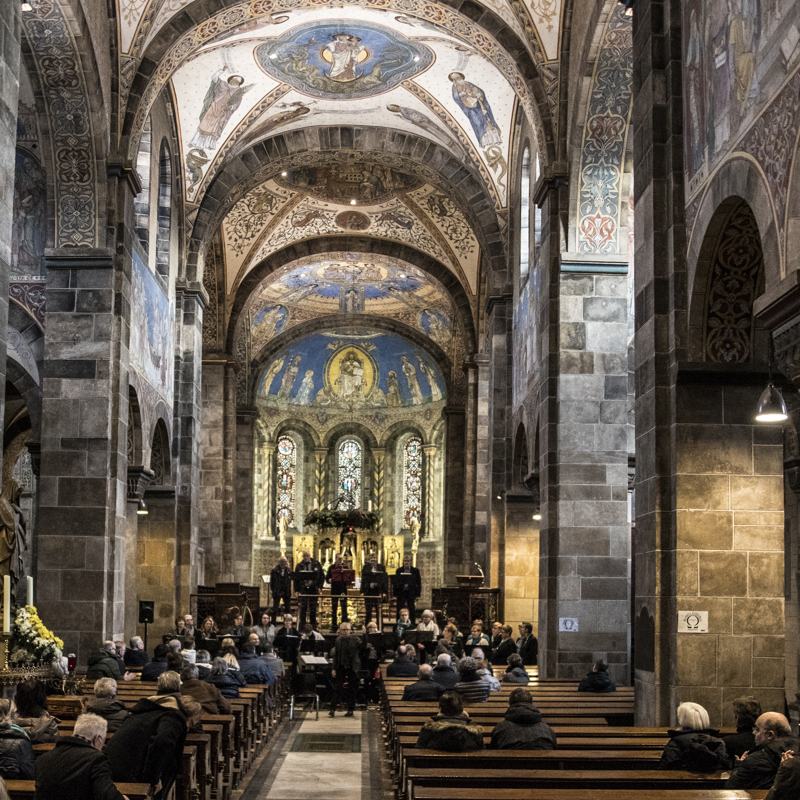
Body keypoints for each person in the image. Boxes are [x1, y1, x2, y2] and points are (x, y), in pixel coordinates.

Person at [106, 684, 190, 800]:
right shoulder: (173, 717)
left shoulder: (145, 711)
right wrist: (152, 779)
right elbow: (161, 742)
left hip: (114, 766)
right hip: (131, 771)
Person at [34, 712, 129, 800]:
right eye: (103, 743)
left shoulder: (43, 758)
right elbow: (107, 795)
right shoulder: (96, 759)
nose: (102, 747)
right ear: (97, 739)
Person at [725, 712, 799, 789]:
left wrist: (739, 766)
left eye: (757, 729)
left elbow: (730, 788)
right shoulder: (797, 753)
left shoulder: (755, 760)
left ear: (770, 735)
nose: (753, 733)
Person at [658, 702, 731, 772]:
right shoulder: (716, 742)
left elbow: (666, 769)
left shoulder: (676, 742)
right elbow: (726, 766)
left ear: (682, 720)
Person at [489, 688, 558, 750]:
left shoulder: (500, 729)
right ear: (531, 704)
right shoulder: (547, 730)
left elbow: (493, 752)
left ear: (509, 705)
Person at [415, 692, 484, 751]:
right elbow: (481, 752)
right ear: (461, 709)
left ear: (441, 709)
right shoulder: (474, 733)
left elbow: (419, 750)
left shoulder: (428, 730)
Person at [329, 622, 361, 717]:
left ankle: (350, 709)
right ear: (340, 630)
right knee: (337, 688)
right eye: (343, 630)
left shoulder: (355, 639)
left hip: (352, 667)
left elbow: (363, 646)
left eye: (347, 629)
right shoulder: (338, 640)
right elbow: (336, 655)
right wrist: (333, 668)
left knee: (352, 689)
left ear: (350, 630)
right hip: (341, 666)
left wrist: (365, 634)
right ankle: (332, 709)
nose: (345, 632)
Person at [14, 678, 60, 742]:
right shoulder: (50, 724)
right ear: (42, 699)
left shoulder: (9, 722)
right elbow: (56, 746)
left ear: (18, 699)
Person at [0, 699, 34, 780]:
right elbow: (29, 773)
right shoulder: (21, 742)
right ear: (11, 716)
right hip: (14, 787)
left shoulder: (21, 741)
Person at [294, 550, 324, 629]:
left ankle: (313, 626)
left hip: (313, 589)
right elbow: (296, 579)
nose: (306, 557)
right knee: (303, 608)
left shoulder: (316, 564)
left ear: (310, 555)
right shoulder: (299, 565)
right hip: (303, 589)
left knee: (313, 608)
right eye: (304, 556)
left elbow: (322, 576)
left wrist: (320, 587)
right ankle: (302, 626)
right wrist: (296, 590)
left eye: (307, 556)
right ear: (302, 556)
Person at [326, 554, 351, 630]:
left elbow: (349, 578)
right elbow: (327, 578)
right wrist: (329, 580)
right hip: (334, 589)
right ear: (336, 559)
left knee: (344, 607)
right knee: (334, 607)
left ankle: (344, 626)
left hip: (343, 589)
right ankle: (334, 626)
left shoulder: (345, 567)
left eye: (341, 559)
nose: (340, 560)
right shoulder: (331, 567)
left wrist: (348, 580)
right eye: (339, 559)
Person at [361, 552, 387, 626]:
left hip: (378, 591)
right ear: (369, 559)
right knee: (368, 611)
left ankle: (380, 627)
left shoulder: (381, 567)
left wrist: (384, 592)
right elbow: (363, 579)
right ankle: (367, 627)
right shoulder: (366, 567)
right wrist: (362, 591)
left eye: (374, 558)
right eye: (371, 558)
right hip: (368, 591)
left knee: (378, 611)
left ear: (377, 559)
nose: (373, 560)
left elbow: (384, 580)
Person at [394, 555, 421, 623]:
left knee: (411, 609)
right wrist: (395, 594)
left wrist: (418, 595)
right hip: (401, 593)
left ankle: (412, 625)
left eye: (408, 561)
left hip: (411, 593)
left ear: (410, 562)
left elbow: (419, 583)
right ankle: (398, 624)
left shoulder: (415, 571)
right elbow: (395, 583)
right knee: (399, 608)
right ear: (403, 561)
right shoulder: (399, 570)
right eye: (405, 561)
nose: (406, 562)